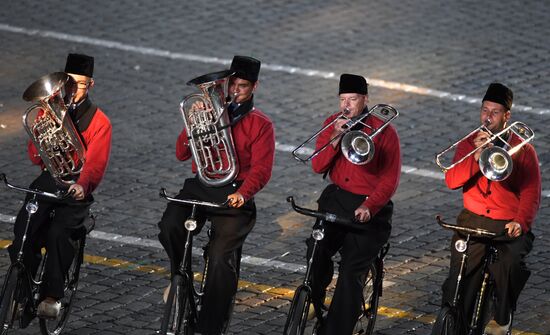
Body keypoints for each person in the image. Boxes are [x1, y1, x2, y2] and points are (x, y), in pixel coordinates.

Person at [157, 55, 275, 335]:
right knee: (169, 226)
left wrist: (244, 194)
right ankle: (178, 276)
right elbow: (181, 153)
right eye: (231, 84)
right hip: (202, 183)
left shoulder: (261, 124)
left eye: (242, 86)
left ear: (254, 87)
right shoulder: (206, 113)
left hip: (235, 192)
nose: (235, 91)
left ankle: (209, 327)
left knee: (221, 258)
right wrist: (193, 123)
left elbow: (262, 169)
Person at [8, 53, 112, 320]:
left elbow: (95, 165)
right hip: (48, 179)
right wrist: (41, 131)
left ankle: (51, 295)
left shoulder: (100, 121)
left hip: (75, 186)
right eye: (70, 83)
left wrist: (82, 185)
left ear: (91, 85)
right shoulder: (48, 110)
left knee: (59, 235)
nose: (74, 90)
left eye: (81, 84)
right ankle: (22, 286)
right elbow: (34, 156)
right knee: (23, 230)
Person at [438, 83, 541, 335]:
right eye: (485, 110)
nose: (488, 117)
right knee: (460, 275)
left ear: (507, 116)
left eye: (495, 112)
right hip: (472, 219)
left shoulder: (523, 150)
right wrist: (474, 156)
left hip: (506, 221)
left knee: (509, 264)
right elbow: (452, 181)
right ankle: (456, 321)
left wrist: (520, 221)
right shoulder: (470, 142)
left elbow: (531, 192)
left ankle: (502, 316)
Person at [308, 74, 401, 335]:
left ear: (365, 99)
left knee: (351, 271)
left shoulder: (386, 132)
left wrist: (370, 206)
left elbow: (389, 180)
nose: (346, 105)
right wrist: (335, 138)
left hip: (369, 208)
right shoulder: (332, 123)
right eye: (343, 99)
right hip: (336, 199)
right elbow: (318, 165)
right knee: (315, 252)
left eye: (353, 99)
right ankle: (315, 301)